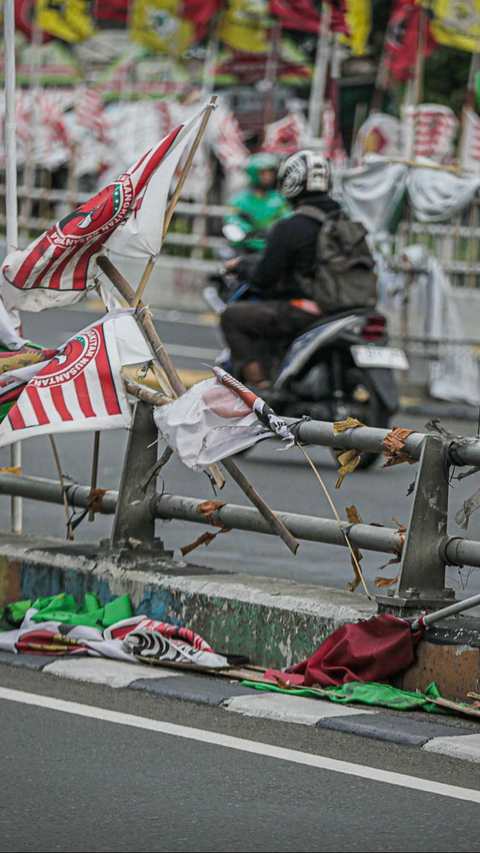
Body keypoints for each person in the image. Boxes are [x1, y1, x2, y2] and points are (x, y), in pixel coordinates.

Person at [220, 149, 339, 389]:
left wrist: (243, 269)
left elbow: (264, 277)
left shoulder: (291, 225)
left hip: (306, 309)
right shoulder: (345, 221)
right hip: (344, 309)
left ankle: (259, 386)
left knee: (232, 316)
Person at [223, 153, 290, 251]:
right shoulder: (239, 199)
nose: (268, 177)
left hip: (269, 248)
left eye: (270, 173)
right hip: (244, 248)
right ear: (253, 173)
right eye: (263, 173)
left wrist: (270, 230)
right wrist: (247, 230)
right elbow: (231, 218)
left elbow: (286, 218)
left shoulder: (279, 199)